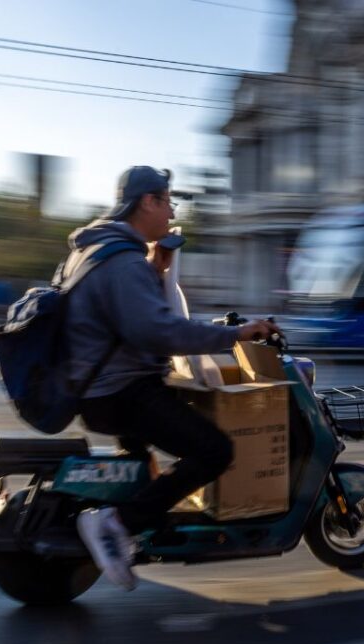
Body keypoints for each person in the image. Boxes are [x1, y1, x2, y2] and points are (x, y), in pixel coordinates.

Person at [66, 166, 277, 590]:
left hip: (98, 388)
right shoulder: (124, 261)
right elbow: (158, 331)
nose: (170, 213)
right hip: (121, 391)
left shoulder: (101, 250)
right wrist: (235, 333)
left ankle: (134, 530)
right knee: (214, 450)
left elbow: (131, 320)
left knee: (155, 459)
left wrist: (157, 271)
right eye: (168, 202)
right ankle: (115, 524)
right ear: (149, 202)